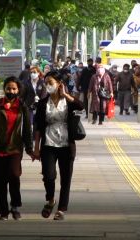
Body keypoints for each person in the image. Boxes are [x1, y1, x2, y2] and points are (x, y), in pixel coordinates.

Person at [33, 70, 84, 221]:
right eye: (46, 83)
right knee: (48, 176)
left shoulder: (68, 101)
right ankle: (50, 199)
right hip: (48, 143)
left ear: (59, 84)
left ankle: (61, 209)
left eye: (50, 83)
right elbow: (38, 127)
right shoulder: (42, 104)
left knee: (65, 178)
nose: (47, 86)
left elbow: (80, 106)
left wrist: (66, 95)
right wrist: (36, 148)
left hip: (66, 145)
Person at [0, 76, 34, 220]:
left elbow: (27, 130)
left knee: (14, 176)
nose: (11, 91)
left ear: (18, 90)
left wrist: (29, 148)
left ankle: (15, 206)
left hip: (15, 148)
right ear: (4, 89)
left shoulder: (22, 107)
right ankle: (3, 212)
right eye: (8, 88)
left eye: (14, 88)